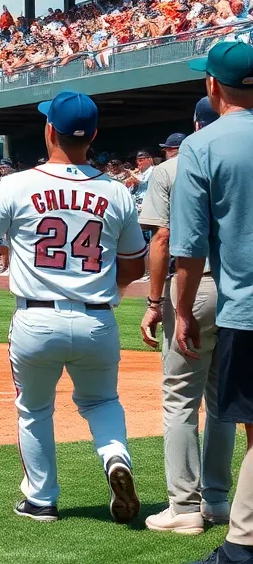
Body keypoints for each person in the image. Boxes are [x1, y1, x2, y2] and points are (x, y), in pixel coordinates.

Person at [0, 90, 147, 524]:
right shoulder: (115, 191)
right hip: (96, 316)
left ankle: (41, 500)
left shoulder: (16, 184)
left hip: (36, 316)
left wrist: (9, 241)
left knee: (34, 409)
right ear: (94, 134)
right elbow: (135, 263)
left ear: (50, 130)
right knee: (102, 402)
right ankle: (116, 459)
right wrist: (109, 287)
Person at [169, 41, 253, 564]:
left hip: (244, 306)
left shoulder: (202, 146)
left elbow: (190, 247)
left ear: (213, 87)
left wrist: (180, 310)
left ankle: (242, 546)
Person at [139, 107, 235, 535]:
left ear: (196, 125)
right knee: (222, 401)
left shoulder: (174, 166)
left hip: (195, 286)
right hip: (239, 289)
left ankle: (184, 505)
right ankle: (216, 499)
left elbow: (161, 238)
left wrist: (156, 301)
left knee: (180, 396)